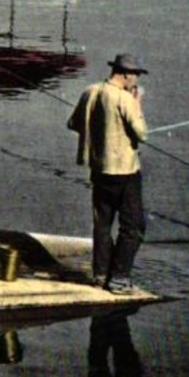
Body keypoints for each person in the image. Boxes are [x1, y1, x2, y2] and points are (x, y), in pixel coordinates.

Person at [67, 54, 150, 294]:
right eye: (135, 76)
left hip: (99, 170)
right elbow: (142, 134)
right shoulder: (125, 98)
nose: (136, 81)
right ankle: (119, 279)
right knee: (133, 227)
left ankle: (101, 275)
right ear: (125, 74)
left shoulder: (90, 90)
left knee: (102, 224)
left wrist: (101, 131)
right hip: (124, 172)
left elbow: (73, 123)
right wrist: (137, 104)